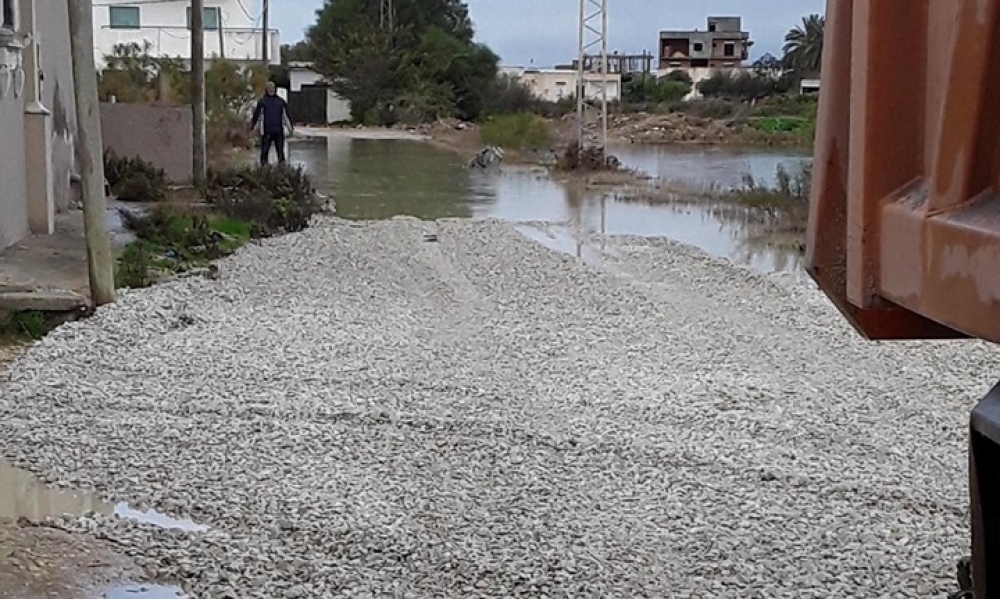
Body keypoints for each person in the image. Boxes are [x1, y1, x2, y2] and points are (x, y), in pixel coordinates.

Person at [250, 82, 292, 165]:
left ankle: (282, 170)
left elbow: (286, 116)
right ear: (266, 89)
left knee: (280, 152)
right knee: (264, 152)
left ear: (275, 89)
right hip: (266, 131)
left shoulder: (281, 102)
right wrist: (252, 127)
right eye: (269, 88)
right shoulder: (262, 102)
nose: (271, 89)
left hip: (278, 131)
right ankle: (264, 170)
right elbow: (257, 115)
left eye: (272, 88)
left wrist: (290, 128)